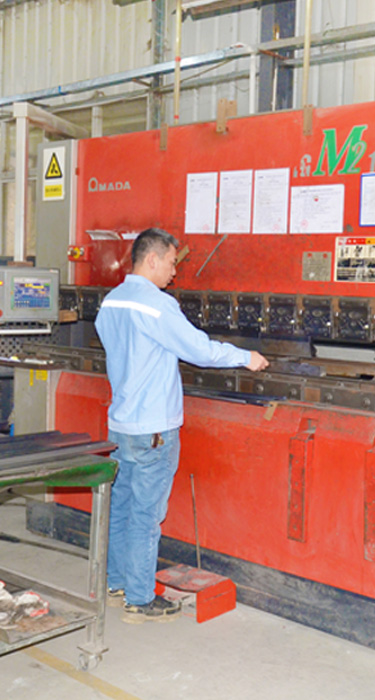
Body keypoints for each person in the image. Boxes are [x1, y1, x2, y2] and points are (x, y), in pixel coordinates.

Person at [95, 227, 268, 623]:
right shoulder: (158, 306)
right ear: (152, 259)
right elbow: (199, 350)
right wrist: (246, 357)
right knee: (145, 516)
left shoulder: (112, 301)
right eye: (172, 263)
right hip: (154, 429)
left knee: (120, 508)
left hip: (120, 424)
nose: (174, 272)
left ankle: (116, 583)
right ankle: (140, 600)